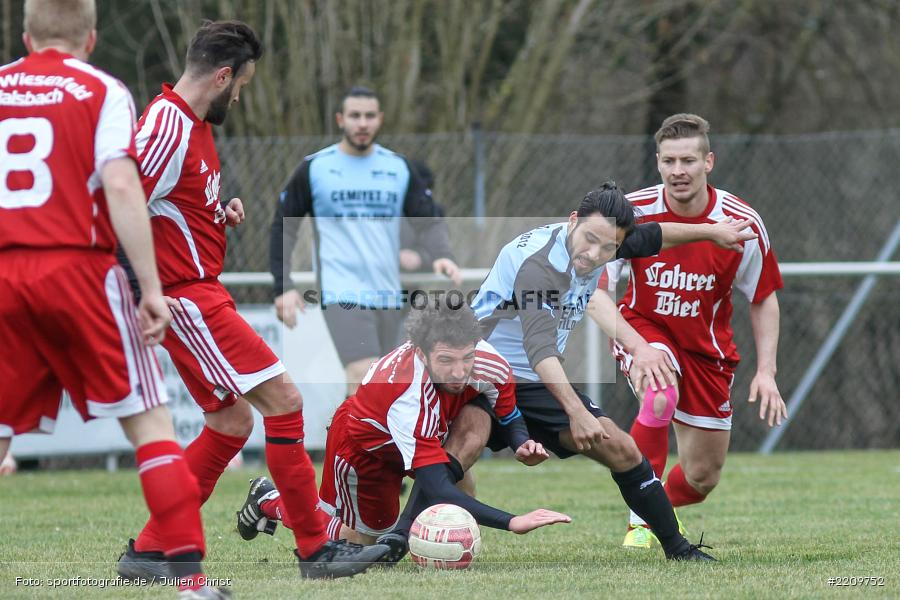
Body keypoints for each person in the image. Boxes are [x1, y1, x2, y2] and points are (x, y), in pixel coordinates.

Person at [113, 20, 389, 581]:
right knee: (285, 400)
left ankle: (150, 549)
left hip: (198, 290)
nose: (240, 95)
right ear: (222, 76)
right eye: (241, 84)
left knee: (232, 420)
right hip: (185, 298)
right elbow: (119, 202)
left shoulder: (192, 125)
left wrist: (216, 213)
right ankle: (315, 547)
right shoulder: (169, 123)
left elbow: (167, 204)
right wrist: (139, 293)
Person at [0, 2, 222, 598]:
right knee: (150, 423)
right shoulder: (102, 89)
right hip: (79, 269)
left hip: (3, 270)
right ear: (92, 37)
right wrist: (151, 289)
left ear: (25, 35)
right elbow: (123, 184)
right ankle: (192, 585)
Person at [463, 181, 760, 561]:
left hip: (536, 382)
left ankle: (679, 550)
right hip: (481, 376)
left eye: (609, 248)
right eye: (589, 240)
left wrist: (713, 232)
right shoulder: (539, 265)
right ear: (573, 220)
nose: (595, 254)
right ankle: (396, 540)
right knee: (460, 453)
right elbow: (540, 349)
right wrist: (577, 412)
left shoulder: (607, 241)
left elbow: (657, 234)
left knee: (621, 448)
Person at [235, 301, 571, 559]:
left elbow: (507, 412)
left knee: (464, 481)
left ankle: (429, 543)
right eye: (446, 361)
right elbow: (437, 487)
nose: (459, 372)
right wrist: (513, 521)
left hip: (422, 437)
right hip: (367, 450)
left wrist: (521, 441)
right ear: (421, 353)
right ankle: (270, 501)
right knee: (362, 546)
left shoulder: (487, 360)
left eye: (466, 358)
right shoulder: (405, 391)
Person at [599, 114, 786, 549]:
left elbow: (762, 297)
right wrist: (634, 343)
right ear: (658, 163)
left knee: (702, 476)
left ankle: (658, 504)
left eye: (688, 160)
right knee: (661, 392)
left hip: (708, 351)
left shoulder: (742, 223)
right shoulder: (631, 212)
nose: (678, 170)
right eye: (669, 161)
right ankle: (641, 521)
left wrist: (767, 372)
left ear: (709, 162)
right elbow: (599, 290)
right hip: (646, 330)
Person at [270, 86, 462, 397]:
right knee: (364, 375)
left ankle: (351, 444)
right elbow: (283, 226)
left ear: (380, 119)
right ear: (340, 119)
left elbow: (429, 219)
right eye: (355, 116)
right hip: (341, 288)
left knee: (384, 385)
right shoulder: (315, 168)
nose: (362, 123)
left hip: (388, 292)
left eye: (369, 116)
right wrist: (283, 286)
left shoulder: (397, 167)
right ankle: (352, 446)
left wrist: (440, 254)